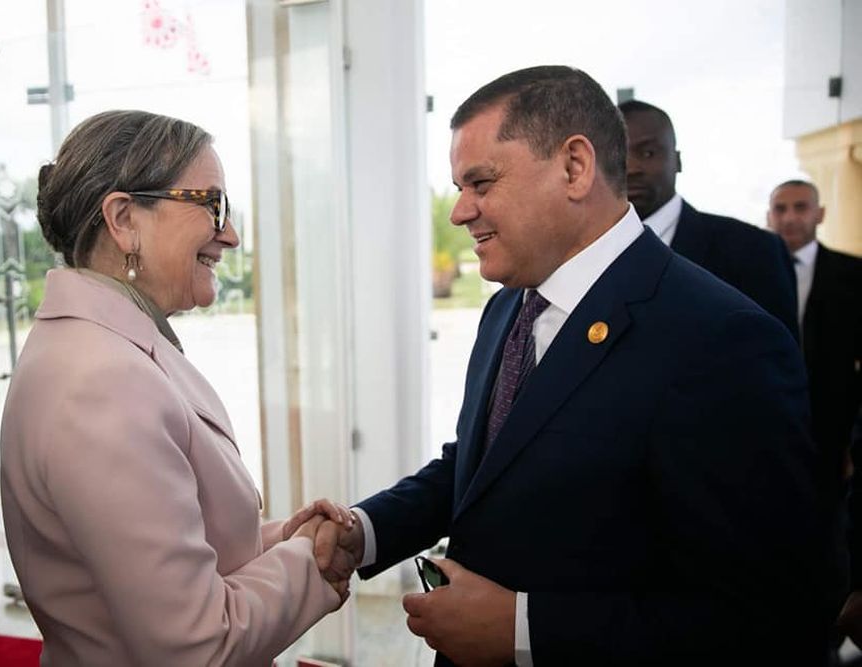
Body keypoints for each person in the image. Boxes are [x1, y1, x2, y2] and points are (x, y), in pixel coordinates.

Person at [306, 66, 842, 665]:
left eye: (480, 183)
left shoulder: (723, 341)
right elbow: (481, 466)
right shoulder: (507, 307)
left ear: (575, 168)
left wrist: (524, 630)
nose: (459, 212)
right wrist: (366, 531)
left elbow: (768, 612)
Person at [0, 110, 351, 666]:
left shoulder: (101, 350)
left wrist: (282, 539)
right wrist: (311, 560)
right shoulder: (104, 384)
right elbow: (195, 646)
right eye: (212, 205)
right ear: (123, 219)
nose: (230, 235)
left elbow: (177, 556)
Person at [617, 99, 799, 338]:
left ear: (678, 161)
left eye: (648, 153)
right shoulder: (584, 252)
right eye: (617, 155)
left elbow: (778, 352)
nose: (631, 168)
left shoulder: (755, 250)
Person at [766, 179, 862, 497]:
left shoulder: (854, 274)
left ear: (819, 214)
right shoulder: (748, 271)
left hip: (833, 424)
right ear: (769, 216)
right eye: (780, 209)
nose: (790, 217)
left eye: (800, 208)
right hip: (767, 419)